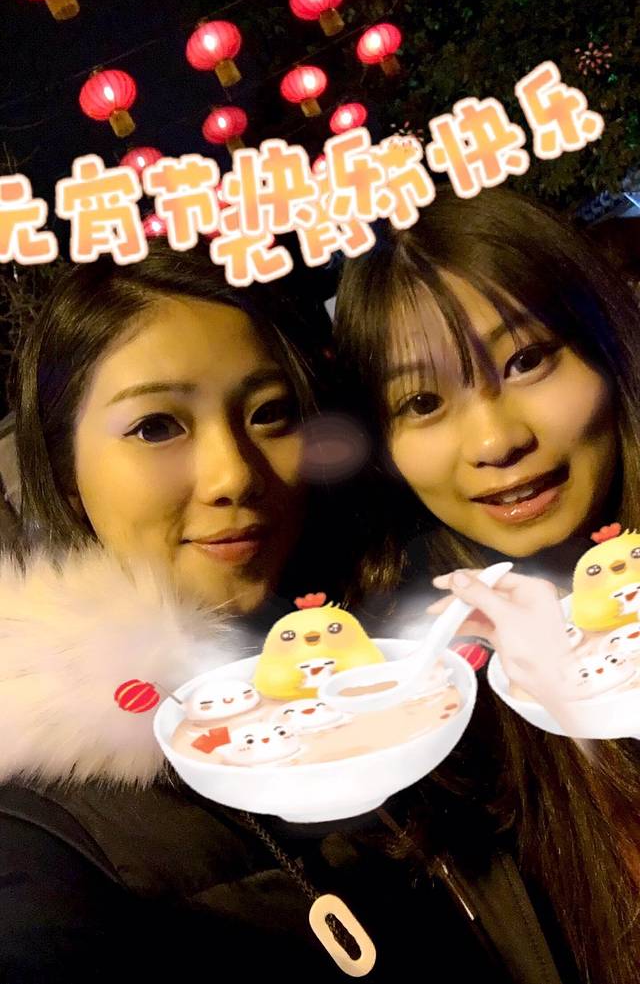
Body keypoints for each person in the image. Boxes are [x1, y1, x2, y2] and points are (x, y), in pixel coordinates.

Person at [0, 239, 552, 984]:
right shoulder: (49, 831)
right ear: (66, 470)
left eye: (270, 413)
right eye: (156, 426)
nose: (234, 475)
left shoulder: (408, 641)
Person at [334, 185, 640, 984]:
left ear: (608, 343)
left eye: (527, 359)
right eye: (422, 400)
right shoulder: (423, 718)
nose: (497, 440)